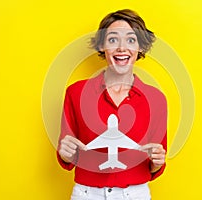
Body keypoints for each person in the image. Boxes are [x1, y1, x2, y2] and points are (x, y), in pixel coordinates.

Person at [57, 9, 167, 200]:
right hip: (87, 194)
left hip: (134, 194)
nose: (121, 48)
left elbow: (155, 165)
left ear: (140, 47)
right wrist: (65, 153)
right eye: (113, 40)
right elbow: (69, 158)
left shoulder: (156, 99)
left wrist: (157, 161)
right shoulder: (76, 93)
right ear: (102, 45)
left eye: (131, 40)